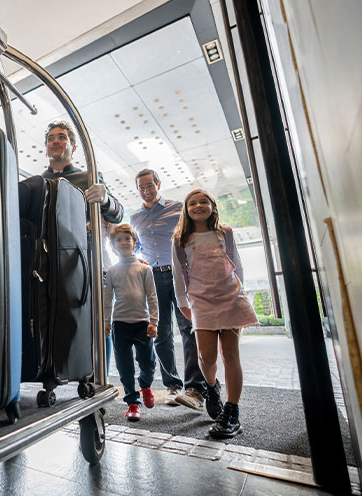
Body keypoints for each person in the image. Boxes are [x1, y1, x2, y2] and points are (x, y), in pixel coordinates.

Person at [171, 189, 258, 438]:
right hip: (200, 302)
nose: (198, 205)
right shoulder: (180, 240)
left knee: (231, 354)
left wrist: (240, 291)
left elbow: (236, 264)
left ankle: (232, 411)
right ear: (186, 210)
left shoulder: (225, 233)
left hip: (230, 298)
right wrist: (182, 304)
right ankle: (212, 387)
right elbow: (178, 275)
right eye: (192, 203)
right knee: (206, 356)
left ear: (213, 206)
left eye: (204, 201)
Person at [41, 120, 124, 373]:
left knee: (94, 323)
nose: (56, 141)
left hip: (84, 260)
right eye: (52, 138)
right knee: (54, 320)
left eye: (63, 137)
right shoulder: (38, 181)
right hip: (48, 263)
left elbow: (118, 215)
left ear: (73, 146)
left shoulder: (88, 177)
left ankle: (99, 377)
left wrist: (106, 198)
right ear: (46, 146)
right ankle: (57, 373)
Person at [129, 169, 207, 410]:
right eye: (141, 187)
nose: (146, 190)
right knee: (160, 332)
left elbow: (190, 238)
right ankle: (172, 385)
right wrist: (138, 259)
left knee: (188, 328)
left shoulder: (177, 208)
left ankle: (195, 387)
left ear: (158, 184)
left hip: (180, 274)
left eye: (149, 185)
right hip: (153, 276)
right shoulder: (135, 218)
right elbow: (136, 246)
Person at [103, 224, 158, 421]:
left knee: (148, 363)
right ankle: (133, 403)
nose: (124, 242)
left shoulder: (145, 269)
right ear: (113, 245)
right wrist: (106, 323)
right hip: (120, 324)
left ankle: (145, 385)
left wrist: (154, 322)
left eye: (128, 239)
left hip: (142, 323)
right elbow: (107, 299)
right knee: (124, 366)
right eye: (119, 240)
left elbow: (152, 297)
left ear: (134, 243)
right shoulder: (111, 271)